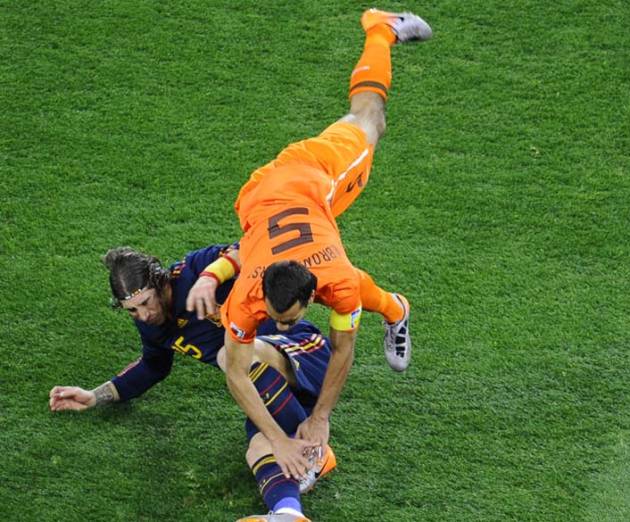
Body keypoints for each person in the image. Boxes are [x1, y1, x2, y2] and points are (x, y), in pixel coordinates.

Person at [182, 9, 433, 504]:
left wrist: (320, 419)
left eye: (287, 318)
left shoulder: (335, 279)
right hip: (265, 194)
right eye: (275, 318)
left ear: (311, 294)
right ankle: (395, 306)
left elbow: (343, 352)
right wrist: (277, 439)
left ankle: (381, 26)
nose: (277, 325)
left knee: (370, 120)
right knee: (247, 344)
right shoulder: (251, 293)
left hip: (320, 175)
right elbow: (233, 370)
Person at [49, 245, 334, 522]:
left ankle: (309, 451)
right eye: (132, 310)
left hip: (301, 352)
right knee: (258, 449)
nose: (143, 315)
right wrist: (95, 396)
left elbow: (251, 249)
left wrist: (213, 277)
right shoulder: (151, 324)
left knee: (231, 354)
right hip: (267, 389)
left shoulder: (196, 269)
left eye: (146, 302)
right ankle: (288, 512)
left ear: (159, 282)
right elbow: (152, 366)